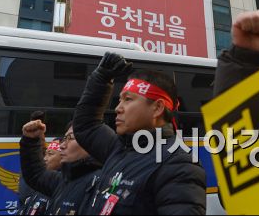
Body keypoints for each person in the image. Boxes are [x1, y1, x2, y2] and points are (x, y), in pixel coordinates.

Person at [73, 53, 206, 215]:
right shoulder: (118, 148)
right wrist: (100, 79)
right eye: (120, 100)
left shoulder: (178, 165)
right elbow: (86, 126)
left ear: (157, 108)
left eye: (128, 99)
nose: (117, 108)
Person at [19, 121, 102, 215]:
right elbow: (35, 174)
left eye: (70, 138)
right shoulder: (64, 179)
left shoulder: (100, 183)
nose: (62, 145)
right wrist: (30, 140)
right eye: (64, 138)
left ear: (91, 142)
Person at [17, 137, 62, 215]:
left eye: (50, 154)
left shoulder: (60, 185)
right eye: (45, 154)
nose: (44, 158)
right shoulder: (42, 181)